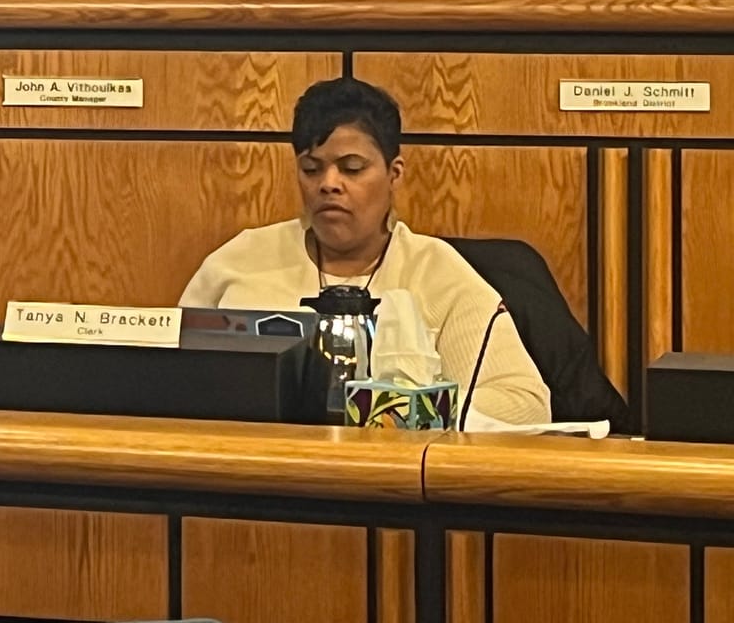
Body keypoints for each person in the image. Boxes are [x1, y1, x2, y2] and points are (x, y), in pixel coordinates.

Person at [180, 78, 551, 426]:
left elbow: (526, 404)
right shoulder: (239, 261)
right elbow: (174, 380)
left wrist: (395, 412)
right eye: (311, 169)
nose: (329, 184)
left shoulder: (438, 272)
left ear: (394, 174)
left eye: (352, 168)